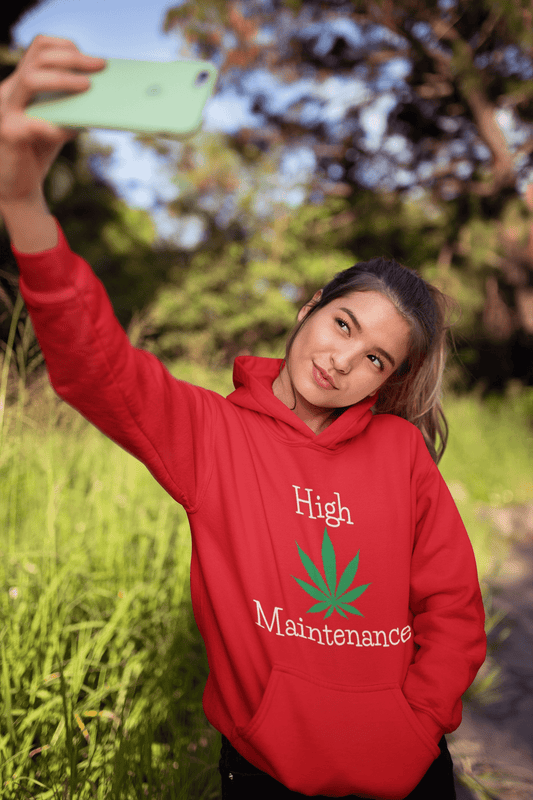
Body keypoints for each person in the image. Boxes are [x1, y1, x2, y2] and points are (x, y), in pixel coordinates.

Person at [0, 36, 486, 800]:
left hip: (407, 767)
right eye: (343, 326)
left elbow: (451, 607)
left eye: (376, 361)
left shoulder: (398, 453)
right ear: (307, 310)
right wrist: (23, 203)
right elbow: (97, 367)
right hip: (266, 767)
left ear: (385, 382)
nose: (343, 360)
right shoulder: (210, 435)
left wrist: (418, 720)